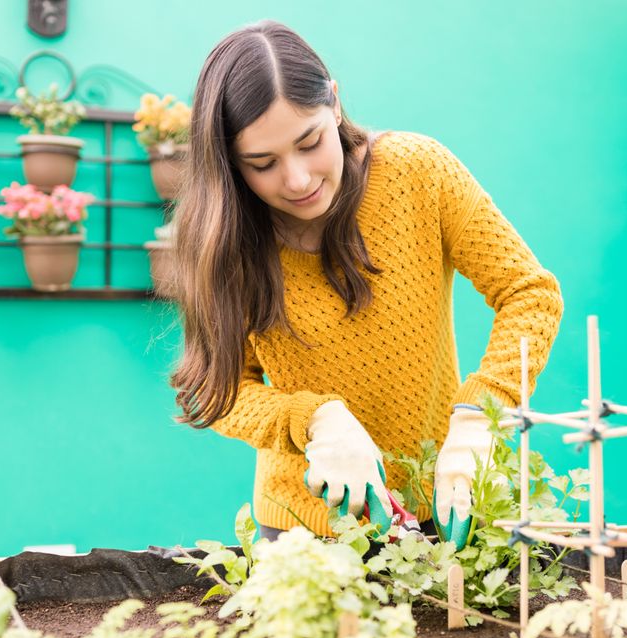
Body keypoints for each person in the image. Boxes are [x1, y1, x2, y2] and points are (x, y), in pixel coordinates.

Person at [169, 20, 563, 542]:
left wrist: (478, 413)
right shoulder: (226, 236)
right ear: (230, 165)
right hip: (300, 531)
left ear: (334, 103)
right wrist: (314, 418)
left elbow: (529, 293)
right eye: (262, 164)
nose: (297, 179)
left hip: (438, 513)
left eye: (309, 142)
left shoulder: (418, 172)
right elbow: (214, 391)